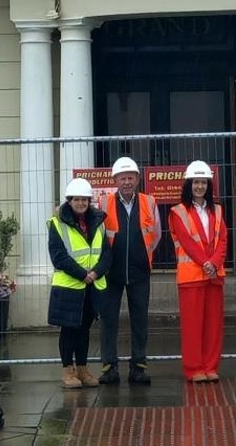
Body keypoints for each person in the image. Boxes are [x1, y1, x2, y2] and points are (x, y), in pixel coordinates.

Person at [95, 155, 160, 384]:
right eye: (122, 178)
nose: (127, 182)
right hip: (110, 272)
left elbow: (156, 234)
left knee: (140, 319)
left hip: (140, 271)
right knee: (108, 319)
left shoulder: (149, 202)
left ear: (137, 179)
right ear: (115, 179)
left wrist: (143, 257)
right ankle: (109, 368)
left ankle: (138, 367)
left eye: (131, 177)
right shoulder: (103, 203)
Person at [47, 177, 110, 389]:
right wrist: (83, 274)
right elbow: (58, 256)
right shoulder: (57, 223)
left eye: (84, 199)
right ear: (69, 200)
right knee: (68, 330)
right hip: (69, 286)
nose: (81, 203)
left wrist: (95, 273)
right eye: (77, 199)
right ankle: (67, 371)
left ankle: (82, 369)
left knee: (84, 329)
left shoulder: (98, 222)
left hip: (91, 285)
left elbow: (107, 254)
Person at [168, 159, 226, 383]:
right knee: (192, 327)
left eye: (203, 182)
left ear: (209, 185)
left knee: (213, 326)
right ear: (188, 184)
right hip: (192, 276)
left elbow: (223, 240)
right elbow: (186, 241)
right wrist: (207, 263)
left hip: (213, 277)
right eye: (196, 182)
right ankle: (194, 369)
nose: (200, 186)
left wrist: (214, 262)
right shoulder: (178, 211)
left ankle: (211, 367)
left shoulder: (218, 210)